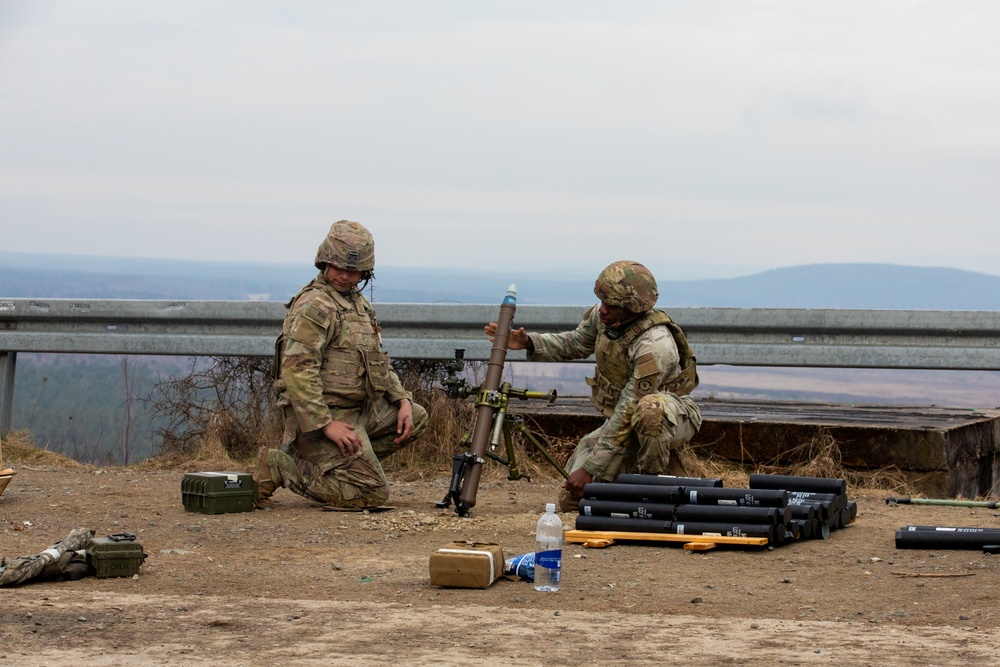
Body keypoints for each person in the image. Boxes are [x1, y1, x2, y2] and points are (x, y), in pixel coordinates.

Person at [485, 260, 701, 512]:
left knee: (649, 411)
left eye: (612, 305)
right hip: (627, 420)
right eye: (602, 301)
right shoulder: (605, 319)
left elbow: (629, 410)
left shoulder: (654, 346)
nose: (603, 310)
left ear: (632, 308)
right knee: (571, 501)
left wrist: (591, 468)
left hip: (669, 416)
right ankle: (632, 486)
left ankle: (651, 489)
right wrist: (529, 342)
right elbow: (575, 343)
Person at [252, 220, 428, 509]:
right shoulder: (316, 306)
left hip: (359, 411)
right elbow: (297, 371)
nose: (347, 276)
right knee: (372, 494)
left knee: (415, 418)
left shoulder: (357, 304)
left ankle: (342, 468)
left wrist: (401, 399)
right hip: (324, 417)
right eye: (340, 268)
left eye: (354, 271)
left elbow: (377, 361)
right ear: (324, 263)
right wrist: (326, 425)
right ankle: (282, 466)